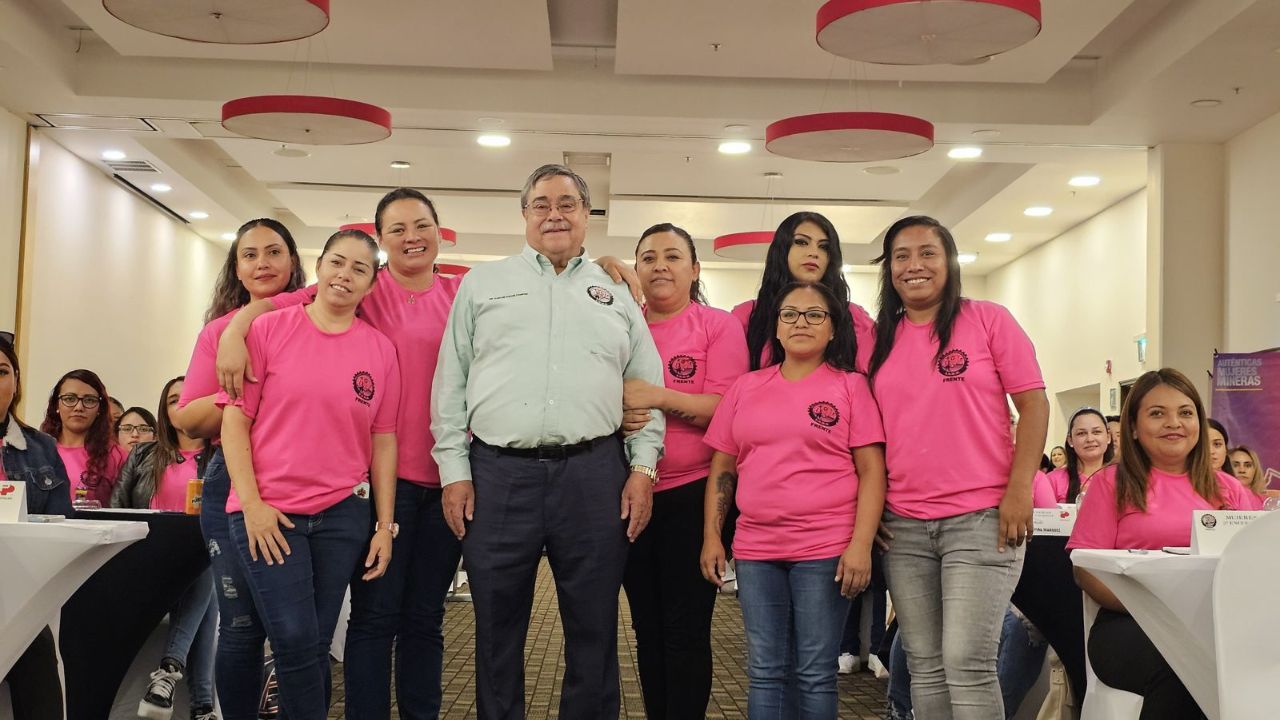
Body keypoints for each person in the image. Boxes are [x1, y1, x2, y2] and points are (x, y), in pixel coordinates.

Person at [433, 163, 665, 720]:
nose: (554, 213)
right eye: (541, 204)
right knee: (494, 627)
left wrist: (643, 468)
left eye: (567, 203)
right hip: (496, 474)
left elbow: (647, 387)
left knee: (594, 628)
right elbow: (451, 382)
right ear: (524, 215)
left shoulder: (615, 288)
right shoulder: (482, 284)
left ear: (587, 215)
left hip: (593, 474)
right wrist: (454, 472)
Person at [867, 215, 1049, 719]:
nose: (915, 265)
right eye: (901, 256)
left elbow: (1034, 406)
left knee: (967, 661)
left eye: (928, 252)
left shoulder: (988, 319)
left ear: (949, 261)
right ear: (890, 270)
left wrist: (1020, 490)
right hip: (902, 528)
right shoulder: (877, 339)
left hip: (983, 519)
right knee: (922, 664)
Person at [220, 229, 399, 719]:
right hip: (270, 513)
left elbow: (383, 440)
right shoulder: (269, 330)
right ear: (319, 267)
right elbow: (235, 421)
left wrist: (384, 525)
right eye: (338, 262)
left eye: (360, 269)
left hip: (343, 515)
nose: (345, 275)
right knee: (294, 638)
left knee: (315, 644)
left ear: (371, 284)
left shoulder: (380, 350)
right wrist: (251, 505)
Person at [700, 281, 886, 718]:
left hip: (825, 549)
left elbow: (872, 471)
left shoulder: (851, 387)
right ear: (776, 330)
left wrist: (860, 545)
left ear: (833, 329)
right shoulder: (745, 388)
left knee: (815, 672)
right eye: (790, 314)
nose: (801, 322)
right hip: (755, 549)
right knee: (765, 670)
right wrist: (713, 537)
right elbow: (723, 469)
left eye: (814, 314)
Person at [172, 217, 307, 720]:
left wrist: (247, 322)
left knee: (299, 628)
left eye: (274, 252)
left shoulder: (318, 309)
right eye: (249, 255)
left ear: (293, 260)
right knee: (241, 625)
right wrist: (240, 392)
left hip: (302, 481)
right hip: (228, 479)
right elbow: (187, 420)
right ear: (236, 267)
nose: (263, 263)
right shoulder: (216, 331)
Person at [1069, 368, 1261, 719]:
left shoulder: (1230, 489)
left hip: (1219, 626)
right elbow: (1085, 570)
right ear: (1133, 428)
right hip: (1130, 627)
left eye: (1186, 413)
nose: (1174, 422)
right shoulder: (1110, 484)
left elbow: (1258, 562)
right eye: (1157, 413)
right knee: (1185, 669)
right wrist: (1157, 606)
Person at [621, 223, 748, 719]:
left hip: (695, 495)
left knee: (685, 627)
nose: (660, 266)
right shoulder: (624, 324)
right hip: (630, 493)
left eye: (673, 257)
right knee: (646, 629)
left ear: (695, 270)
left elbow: (726, 409)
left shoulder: (717, 326)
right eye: (647, 257)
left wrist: (656, 397)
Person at [111, 376, 218, 720]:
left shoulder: (225, 455)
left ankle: (169, 678)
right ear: (164, 409)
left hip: (203, 561)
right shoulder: (143, 454)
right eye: (174, 399)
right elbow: (118, 508)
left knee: (206, 565)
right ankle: (201, 704)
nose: (183, 405)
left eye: (192, 397)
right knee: (206, 572)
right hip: (149, 559)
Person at [0, 333, 73, 720]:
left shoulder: (41, 447)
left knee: (40, 657)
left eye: (1, 372)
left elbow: (62, 522)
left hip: (23, 593)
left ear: (16, 381)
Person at [731, 211, 876, 372]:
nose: (814, 253)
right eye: (801, 242)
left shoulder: (854, 317)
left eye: (824, 247)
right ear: (782, 249)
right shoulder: (746, 316)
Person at [41, 369, 126, 506]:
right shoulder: (38, 451)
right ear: (56, 404)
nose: (79, 407)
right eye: (69, 399)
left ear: (100, 408)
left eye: (89, 400)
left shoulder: (117, 457)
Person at [1045, 406, 1114, 503]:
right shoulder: (1052, 480)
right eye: (1081, 433)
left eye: (1096, 432)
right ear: (1070, 440)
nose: (1090, 439)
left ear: (1108, 437)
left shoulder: (1125, 479)